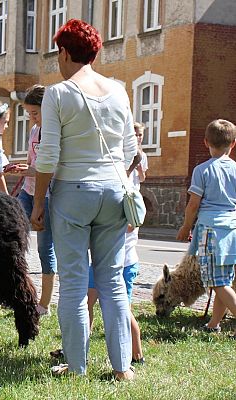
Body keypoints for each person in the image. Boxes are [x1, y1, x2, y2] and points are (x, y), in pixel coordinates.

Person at [31, 19, 137, 379]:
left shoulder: (58, 93)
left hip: (73, 192)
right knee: (113, 280)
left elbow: (48, 155)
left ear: (63, 52)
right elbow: (130, 150)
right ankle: (122, 368)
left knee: (74, 282)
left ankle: (76, 366)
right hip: (113, 191)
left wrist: (40, 201)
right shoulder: (119, 91)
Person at [87, 121, 148, 364]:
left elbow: (132, 225)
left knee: (123, 309)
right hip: (104, 260)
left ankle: (137, 353)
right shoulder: (121, 187)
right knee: (87, 301)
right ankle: (79, 343)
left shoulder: (129, 193)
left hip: (123, 261)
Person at [176, 119, 236, 336]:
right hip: (232, 228)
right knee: (224, 279)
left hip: (210, 230)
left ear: (205, 142)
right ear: (234, 143)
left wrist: (185, 226)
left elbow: (194, 204)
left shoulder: (202, 170)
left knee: (216, 282)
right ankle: (213, 324)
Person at [7, 85, 57, 316]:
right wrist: (23, 168)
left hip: (48, 196)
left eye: (35, 113)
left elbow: (53, 169)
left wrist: (29, 171)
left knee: (45, 249)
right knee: (10, 236)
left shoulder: (57, 133)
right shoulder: (34, 131)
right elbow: (33, 163)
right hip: (27, 191)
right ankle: (17, 292)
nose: (32, 119)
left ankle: (44, 305)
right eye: (29, 114)